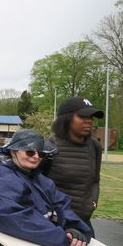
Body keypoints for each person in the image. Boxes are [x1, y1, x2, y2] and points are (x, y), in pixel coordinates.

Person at [41, 97, 104, 232]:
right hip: (54, 224)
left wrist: (92, 203)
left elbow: (95, 180)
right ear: (66, 119)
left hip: (83, 223)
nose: (89, 121)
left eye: (91, 117)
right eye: (82, 116)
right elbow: (35, 184)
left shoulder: (95, 146)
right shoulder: (49, 146)